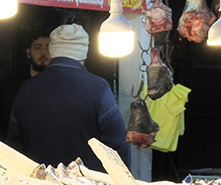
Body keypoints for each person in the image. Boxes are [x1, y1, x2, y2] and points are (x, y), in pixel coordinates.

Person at [8, 23, 131, 168]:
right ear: (84, 54)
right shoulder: (99, 88)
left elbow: (13, 145)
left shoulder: (27, 88)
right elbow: (118, 146)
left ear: (52, 51)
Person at [0, 31, 51, 140]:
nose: (43, 53)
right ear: (28, 53)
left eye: (48, 48)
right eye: (38, 48)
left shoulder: (58, 87)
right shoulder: (9, 86)